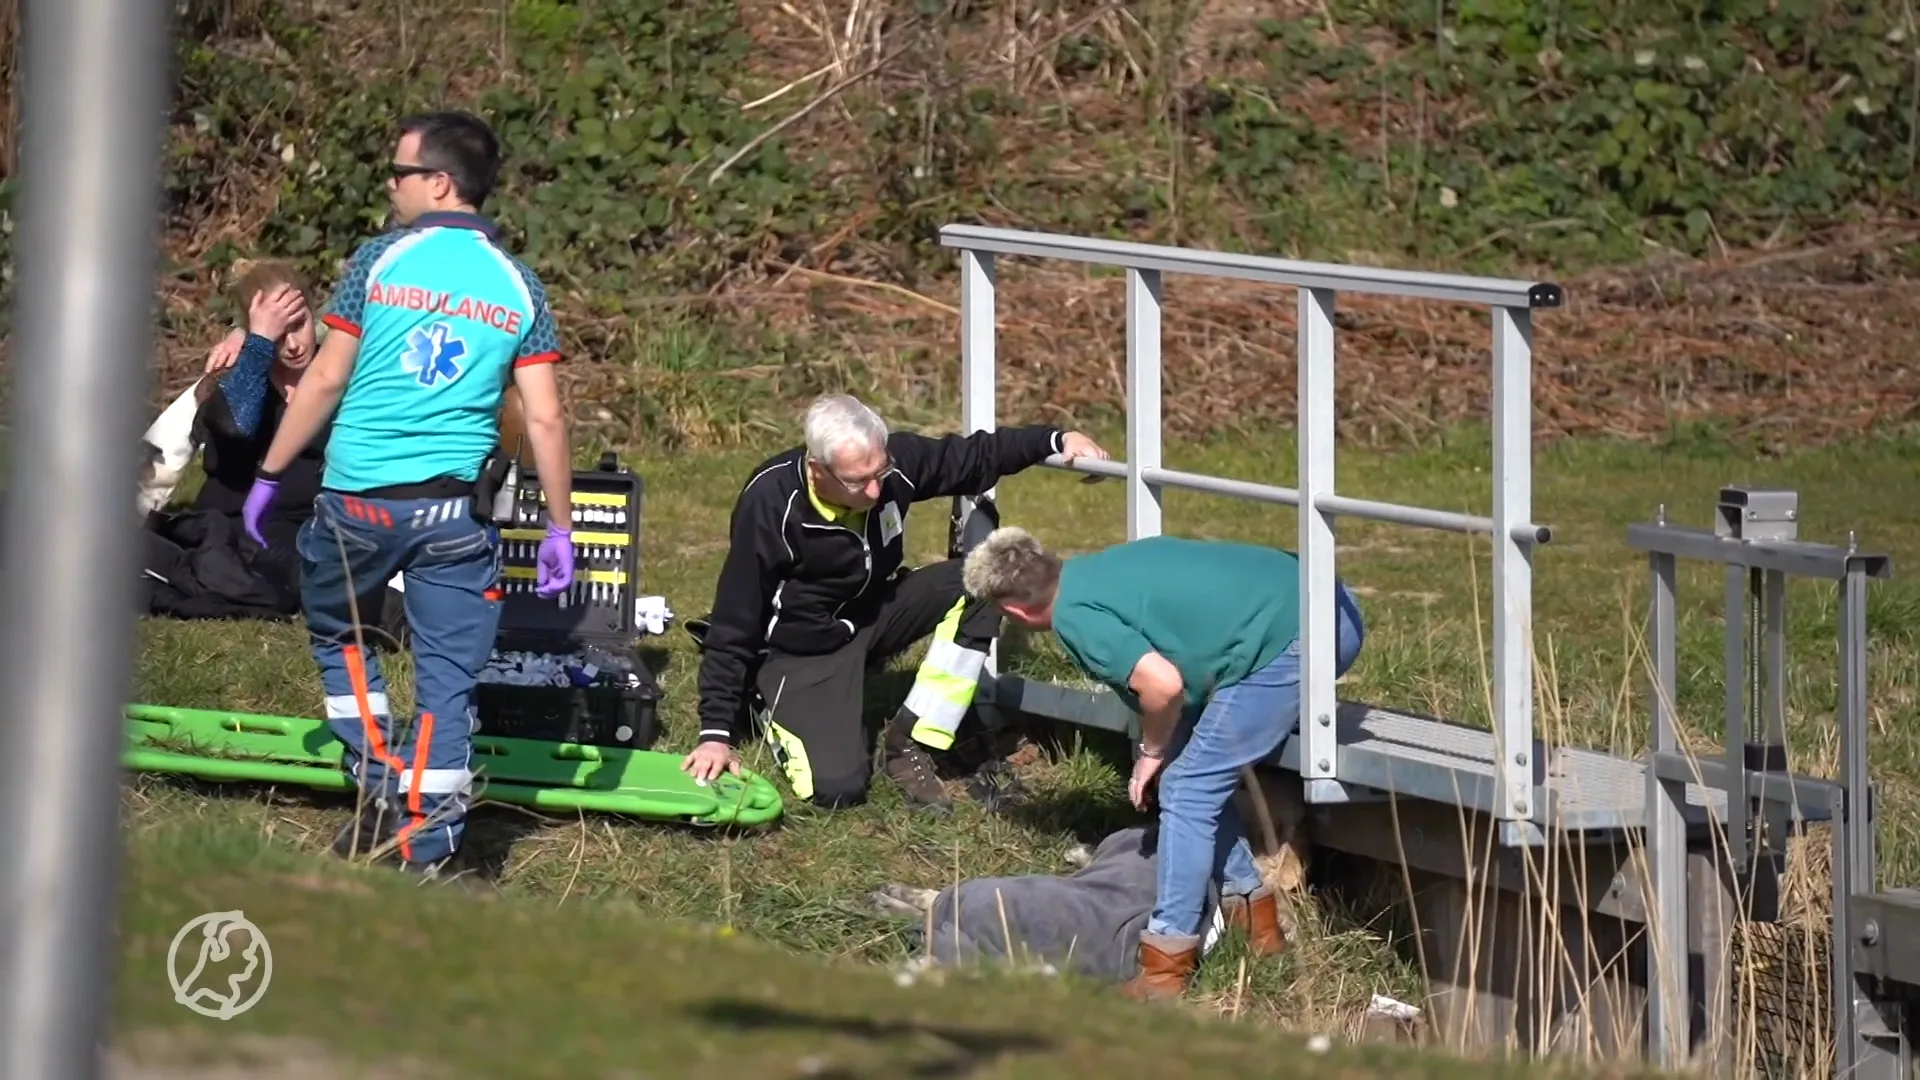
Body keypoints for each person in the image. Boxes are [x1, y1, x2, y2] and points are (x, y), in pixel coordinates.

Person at [242, 109, 575, 877]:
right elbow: (546, 418)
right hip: (456, 513)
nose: (390, 188)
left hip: (356, 503)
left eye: (399, 174)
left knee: (342, 641)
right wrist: (558, 529)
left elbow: (326, 376)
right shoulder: (519, 287)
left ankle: (376, 782)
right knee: (448, 682)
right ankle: (429, 851)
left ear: (439, 183)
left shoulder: (379, 261)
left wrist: (267, 475)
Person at [960, 526, 1366, 1001]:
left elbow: (1163, 685)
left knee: (1189, 788)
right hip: (1330, 599)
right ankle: (1257, 924)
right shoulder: (1099, 569)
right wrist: (1164, 751)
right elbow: (1180, 672)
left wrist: (1150, 753)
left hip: (1303, 635)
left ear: (1013, 610)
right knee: (1185, 775)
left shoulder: (1074, 618)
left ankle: (1165, 966)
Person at [681, 393, 1108, 813]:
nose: (873, 490)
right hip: (803, 650)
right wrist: (715, 732)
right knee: (837, 789)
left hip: (875, 611)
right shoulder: (771, 502)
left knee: (986, 582)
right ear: (817, 469)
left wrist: (1056, 439)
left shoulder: (891, 467)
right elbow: (735, 619)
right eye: (856, 481)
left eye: (879, 472)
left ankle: (913, 743)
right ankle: (764, 697)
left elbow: (974, 456)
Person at [868, 769, 1311, 983]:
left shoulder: (1256, 887)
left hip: (1129, 908)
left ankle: (949, 930)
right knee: (1054, 901)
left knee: (1077, 923)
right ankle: (947, 911)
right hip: (1123, 871)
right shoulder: (1176, 829)